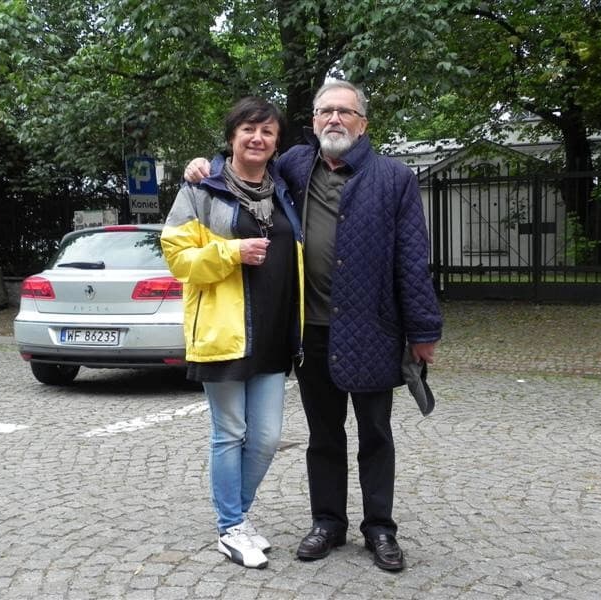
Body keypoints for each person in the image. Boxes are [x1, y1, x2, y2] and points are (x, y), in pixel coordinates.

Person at [184, 80, 442, 572]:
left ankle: (380, 528)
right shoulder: (295, 165)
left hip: (373, 330)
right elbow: (244, 167)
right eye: (326, 111)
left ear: (363, 124)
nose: (334, 120)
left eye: (345, 112)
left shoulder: (393, 177)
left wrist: (423, 331)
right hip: (311, 332)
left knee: (376, 433)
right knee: (323, 436)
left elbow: (412, 258)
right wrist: (206, 166)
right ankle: (327, 522)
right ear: (314, 121)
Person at [161, 97, 304, 569]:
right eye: (248, 129)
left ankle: (235, 518)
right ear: (231, 137)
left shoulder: (284, 190)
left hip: (274, 332)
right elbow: (178, 259)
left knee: (266, 437)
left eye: (267, 131)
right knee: (230, 433)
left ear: (276, 143)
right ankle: (231, 527)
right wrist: (231, 252)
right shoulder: (202, 189)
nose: (257, 138)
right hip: (223, 332)